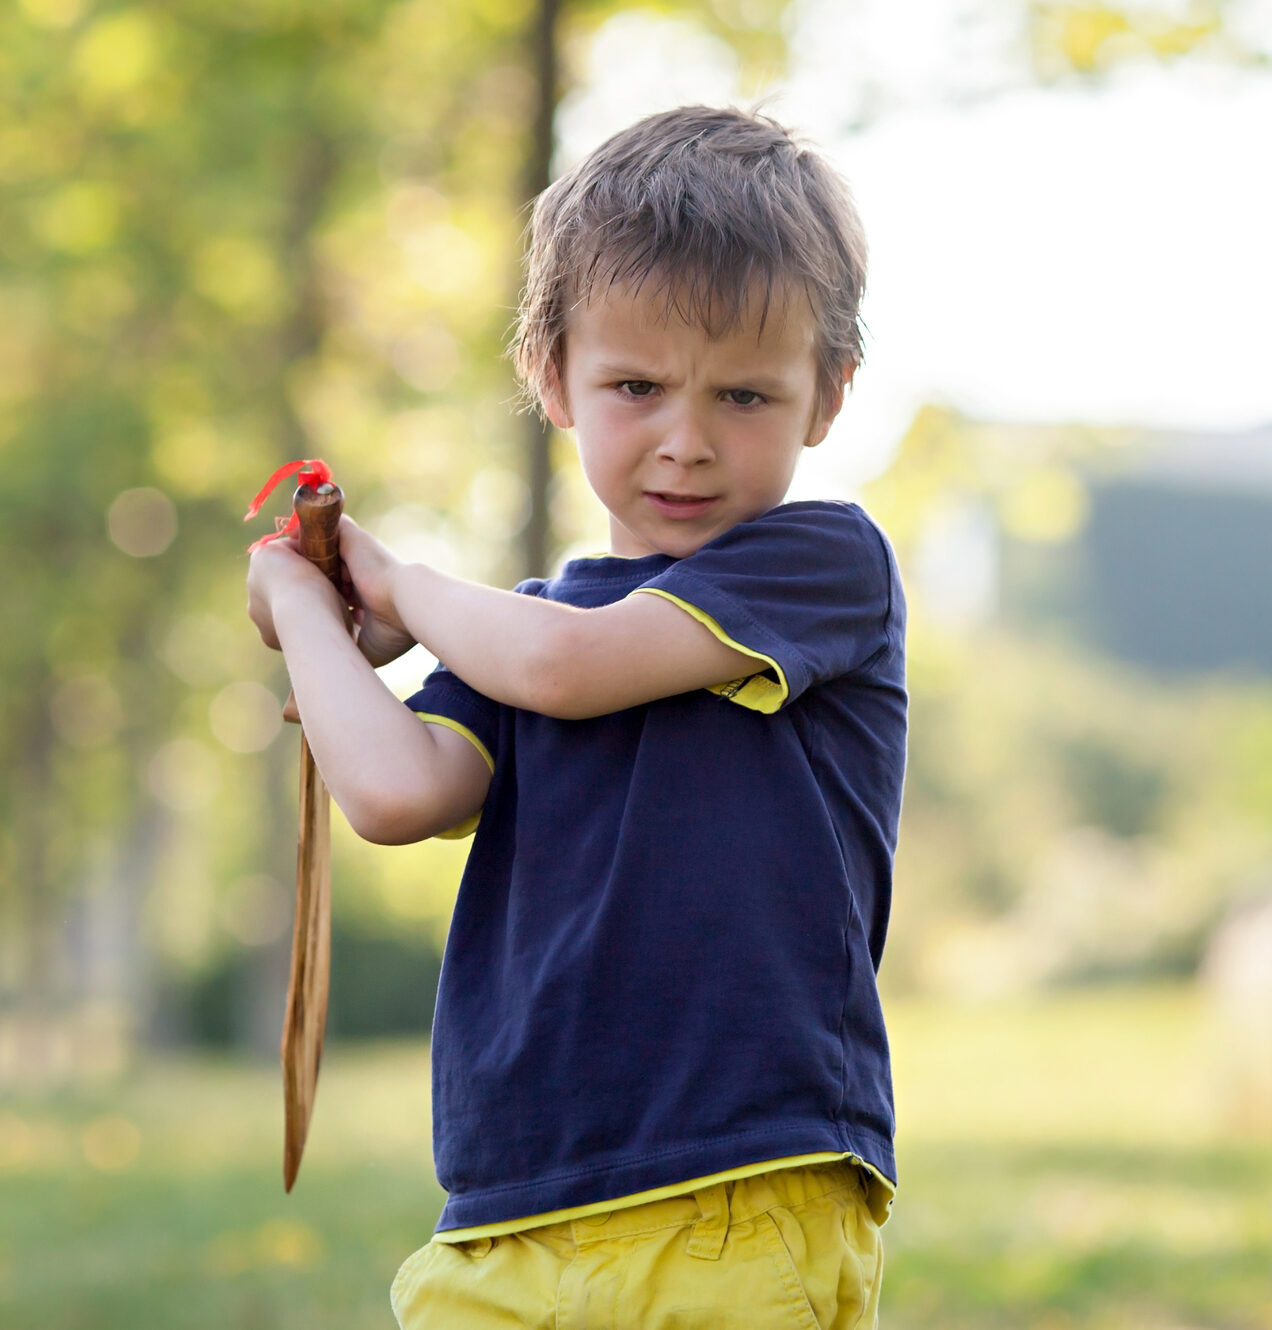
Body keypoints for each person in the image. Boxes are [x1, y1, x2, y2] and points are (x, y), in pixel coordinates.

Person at [245, 104, 906, 1329]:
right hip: (508, 1213)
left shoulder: (820, 566)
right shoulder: (517, 630)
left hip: (733, 1191)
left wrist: (392, 586)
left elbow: (562, 665)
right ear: (550, 375)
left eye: (746, 397)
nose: (687, 442)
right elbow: (393, 792)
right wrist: (303, 605)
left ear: (828, 395)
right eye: (636, 385)